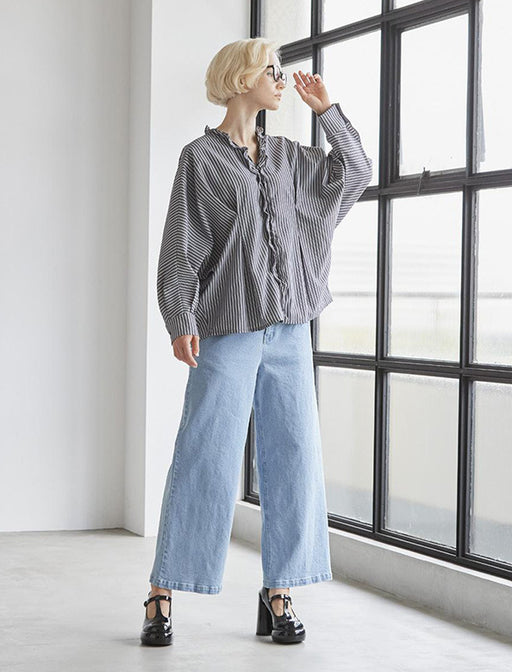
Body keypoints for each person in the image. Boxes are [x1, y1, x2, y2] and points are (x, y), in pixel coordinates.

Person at [140, 37, 372, 647]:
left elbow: (355, 174)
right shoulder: (199, 159)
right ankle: (163, 590)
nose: (281, 78)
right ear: (242, 80)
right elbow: (182, 242)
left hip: (290, 331)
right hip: (227, 330)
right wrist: (179, 317)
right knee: (204, 456)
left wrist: (328, 112)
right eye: (271, 70)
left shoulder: (289, 157)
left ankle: (280, 592)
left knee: (294, 459)